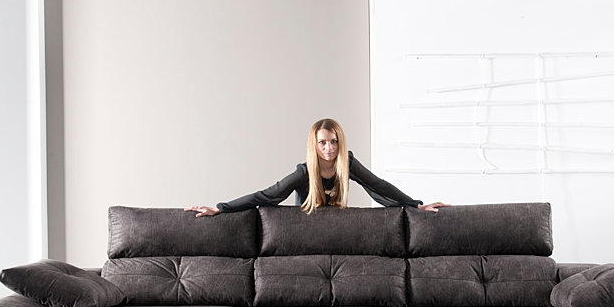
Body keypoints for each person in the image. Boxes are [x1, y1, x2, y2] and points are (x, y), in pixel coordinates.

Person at [185, 118, 449, 217]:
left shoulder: (347, 163)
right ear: (315, 145)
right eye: (322, 142)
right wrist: (220, 208)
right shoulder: (304, 172)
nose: (329, 148)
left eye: (333, 141)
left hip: (334, 226)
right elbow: (268, 195)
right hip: (308, 227)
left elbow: (378, 186)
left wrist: (415, 205)